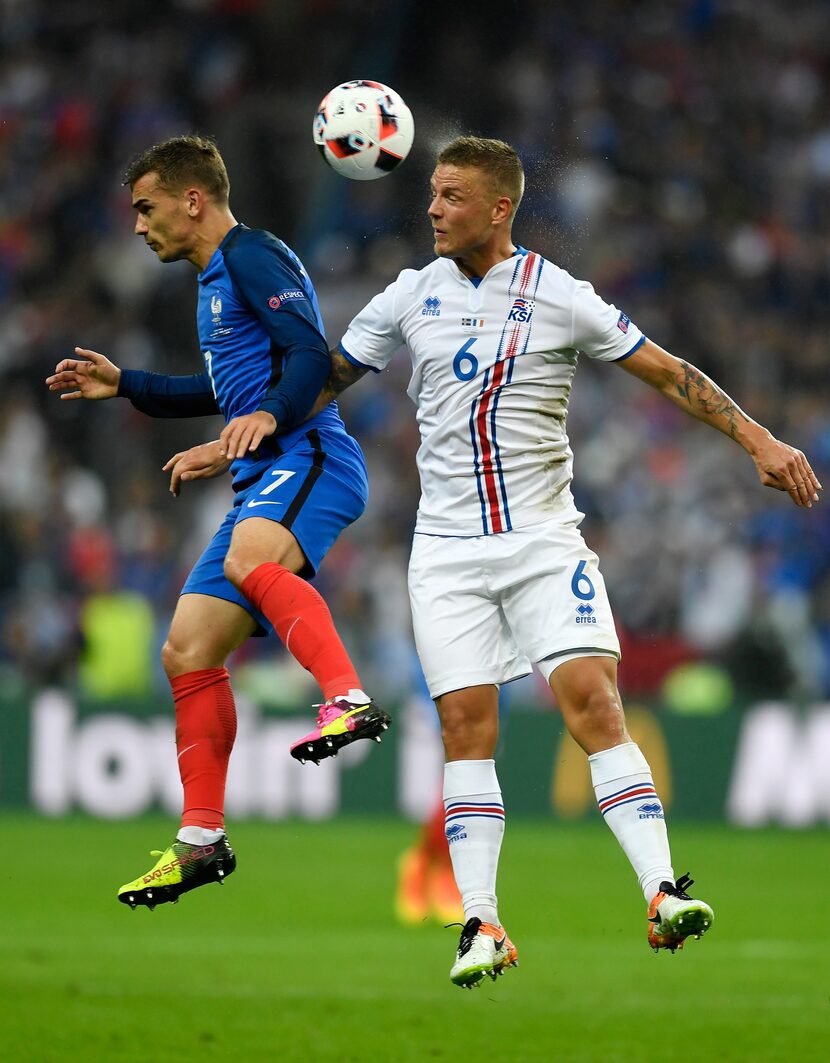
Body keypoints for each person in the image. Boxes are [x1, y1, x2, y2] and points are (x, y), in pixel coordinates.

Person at [313, 136, 822, 987]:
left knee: (593, 699)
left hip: (546, 540)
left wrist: (757, 437)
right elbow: (322, 380)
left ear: (499, 207)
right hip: (444, 554)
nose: (432, 209)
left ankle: (661, 892)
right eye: (432, 194)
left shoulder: (558, 294)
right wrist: (226, 427)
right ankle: (482, 923)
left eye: (450, 196)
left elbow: (666, 371)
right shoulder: (408, 296)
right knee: (467, 729)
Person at [45, 135, 391, 910]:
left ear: (191, 199)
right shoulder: (214, 282)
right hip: (261, 469)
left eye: (146, 206)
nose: (137, 226)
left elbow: (308, 352)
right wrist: (126, 383)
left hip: (309, 457)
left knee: (245, 563)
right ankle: (201, 841)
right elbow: (224, 382)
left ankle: (346, 696)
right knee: (186, 649)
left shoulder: (251, 255)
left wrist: (267, 416)